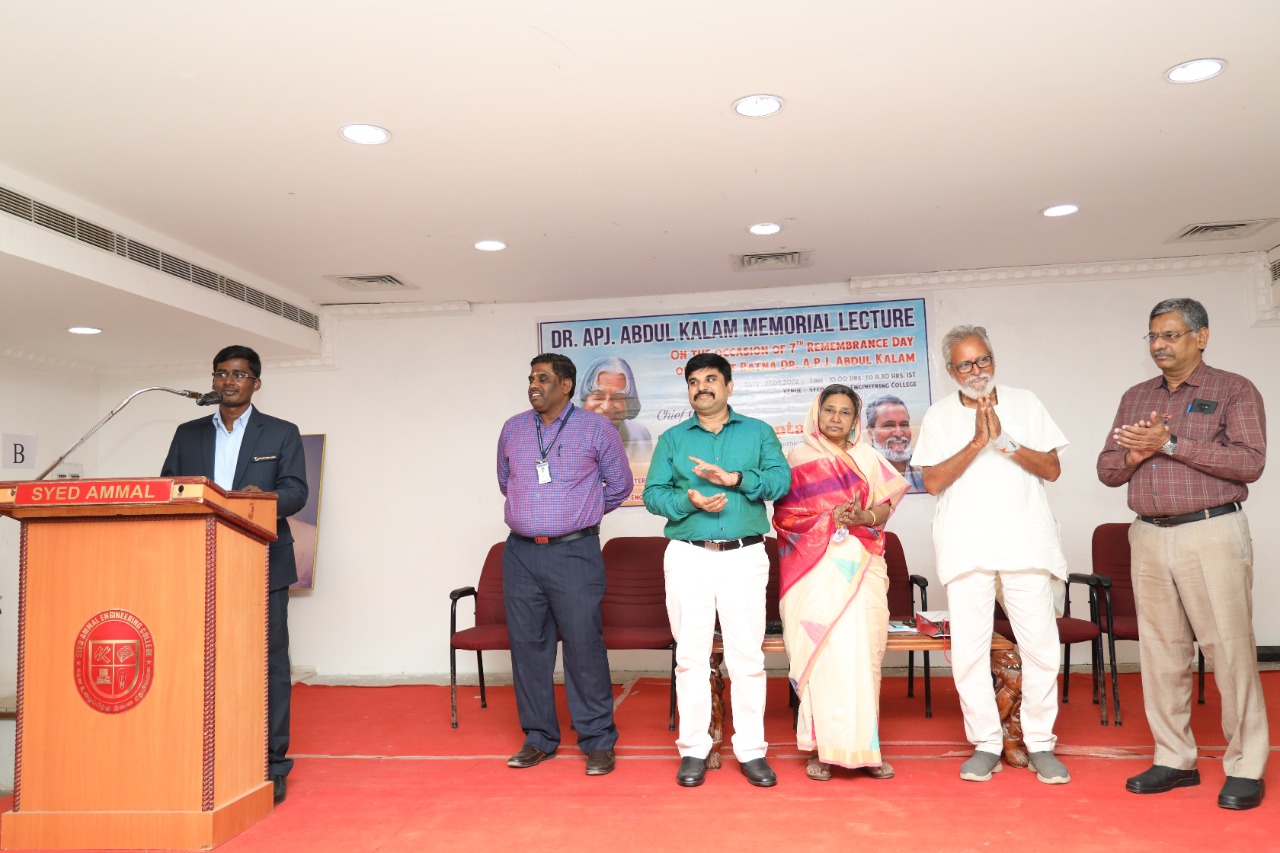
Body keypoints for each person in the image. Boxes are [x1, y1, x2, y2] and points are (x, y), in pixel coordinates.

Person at [1097, 297, 1268, 810]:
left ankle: (1246, 765)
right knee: (1161, 652)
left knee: (1228, 651)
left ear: (1201, 336)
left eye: (1170, 335)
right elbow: (1107, 470)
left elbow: (1250, 463)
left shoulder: (1234, 389)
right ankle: (1174, 758)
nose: (1159, 345)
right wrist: (1135, 453)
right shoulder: (1135, 396)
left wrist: (1170, 443)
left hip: (1211, 532)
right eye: (1153, 336)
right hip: (1148, 537)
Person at [910, 325, 1071, 785]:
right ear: (950, 371)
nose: (976, 371)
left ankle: (1040, 742)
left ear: (993, 360)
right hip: (967, 545)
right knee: (969, 652)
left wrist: (1005, 441)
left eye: (982, 360)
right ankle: (986, 742)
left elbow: (1053, 469)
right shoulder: (939, 415)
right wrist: (977, 442)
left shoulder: (1025, 402)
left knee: (1041, 648)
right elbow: (932, 482)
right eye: (965, 364)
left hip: (1025, 542)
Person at [161, 345, 308, 807]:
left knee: (269, 662)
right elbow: (169, 487)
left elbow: (296, 492)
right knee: (199, 658)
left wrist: (260, 500)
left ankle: (271, 762)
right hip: (199, 561)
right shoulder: (188, 433)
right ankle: (200, 752)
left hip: (262, 561)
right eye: (221, 373)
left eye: (239, 374)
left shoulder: (281, 432)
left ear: (255, 383)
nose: (229, 381)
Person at [642, 353, 790, 788]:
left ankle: (752, 750)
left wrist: (735, 480)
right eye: (693, 381)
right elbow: (653, 495)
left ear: (728, 386)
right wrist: (688, 500)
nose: (701, 387)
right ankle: (693, 749)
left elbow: (780, 482)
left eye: (710, 379)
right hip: (688, 555)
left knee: (747, 657)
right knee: (690, 656)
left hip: (745, 555)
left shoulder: (758, 432)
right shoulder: (672, 439)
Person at [496, 353, 631, 776]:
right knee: (528, 648)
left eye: (543, 378)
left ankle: (597, 740)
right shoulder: (513, 428)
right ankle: (539, 738)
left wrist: (579, 513)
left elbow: (620, 485)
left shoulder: (597, 428)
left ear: (566, 385)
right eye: (531, 378)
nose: (534, 385)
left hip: (574, 553)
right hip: (520, 554)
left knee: (583, 646)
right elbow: (506, 482)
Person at [772, 384, 909, 781]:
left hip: (863, 565)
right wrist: (828, 519)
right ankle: (822, 750)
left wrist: (863, 518)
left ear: (854, 420)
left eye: (844, 412)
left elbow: (884, 508)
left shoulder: (868, 457)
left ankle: (867, 750)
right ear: (817, 414)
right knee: (823, 656)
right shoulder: (796, 459)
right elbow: (784, 519)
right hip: (812, 571)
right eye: (828, 409)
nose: (835, 417)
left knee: (863, 656)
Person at [579, 355, 654, 461]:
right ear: (584, 399)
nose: (606, 407)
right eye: (598, 396)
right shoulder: (566, 436)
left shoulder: (639, 435)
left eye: (617, 397)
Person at [865, 394, 924, 492]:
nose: (899, 433)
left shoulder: (924, 480)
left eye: (904, 425)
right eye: (889, 425)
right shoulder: (859, 477)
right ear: (870, 432)